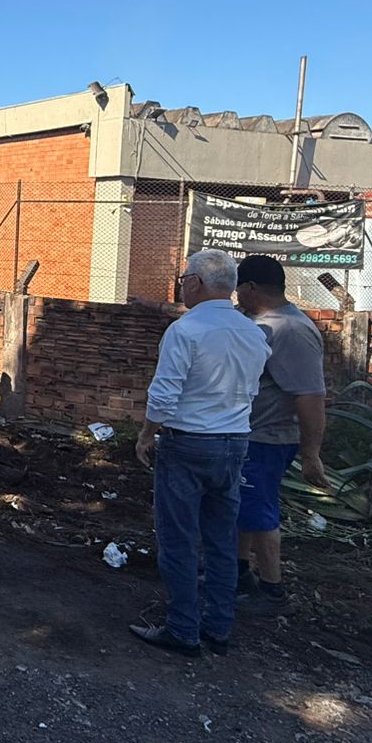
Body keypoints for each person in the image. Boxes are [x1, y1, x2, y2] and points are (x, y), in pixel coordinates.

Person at [131, 249, 269, 658]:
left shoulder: (186, 330)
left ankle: (182, 629)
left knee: (178, 539)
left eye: (184, 278)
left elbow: (164, 394)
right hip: (234, 443)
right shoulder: (252, 332)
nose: (181, 285)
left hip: (188, 442)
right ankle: (218, 628)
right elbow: (253, 389)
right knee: (222, 540)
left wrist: (145, 435)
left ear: (196, 283)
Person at [234, 254, 329, 613]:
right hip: (246, 433)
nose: (236, 295)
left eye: (239, 287)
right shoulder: (255, 320)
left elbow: (310, 395)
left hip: (268, 438)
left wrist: (311, 453)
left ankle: (272, 591)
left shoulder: (291, 330)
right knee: (243, 506)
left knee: (259, 509)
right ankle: (239, 574)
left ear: (253, 288)